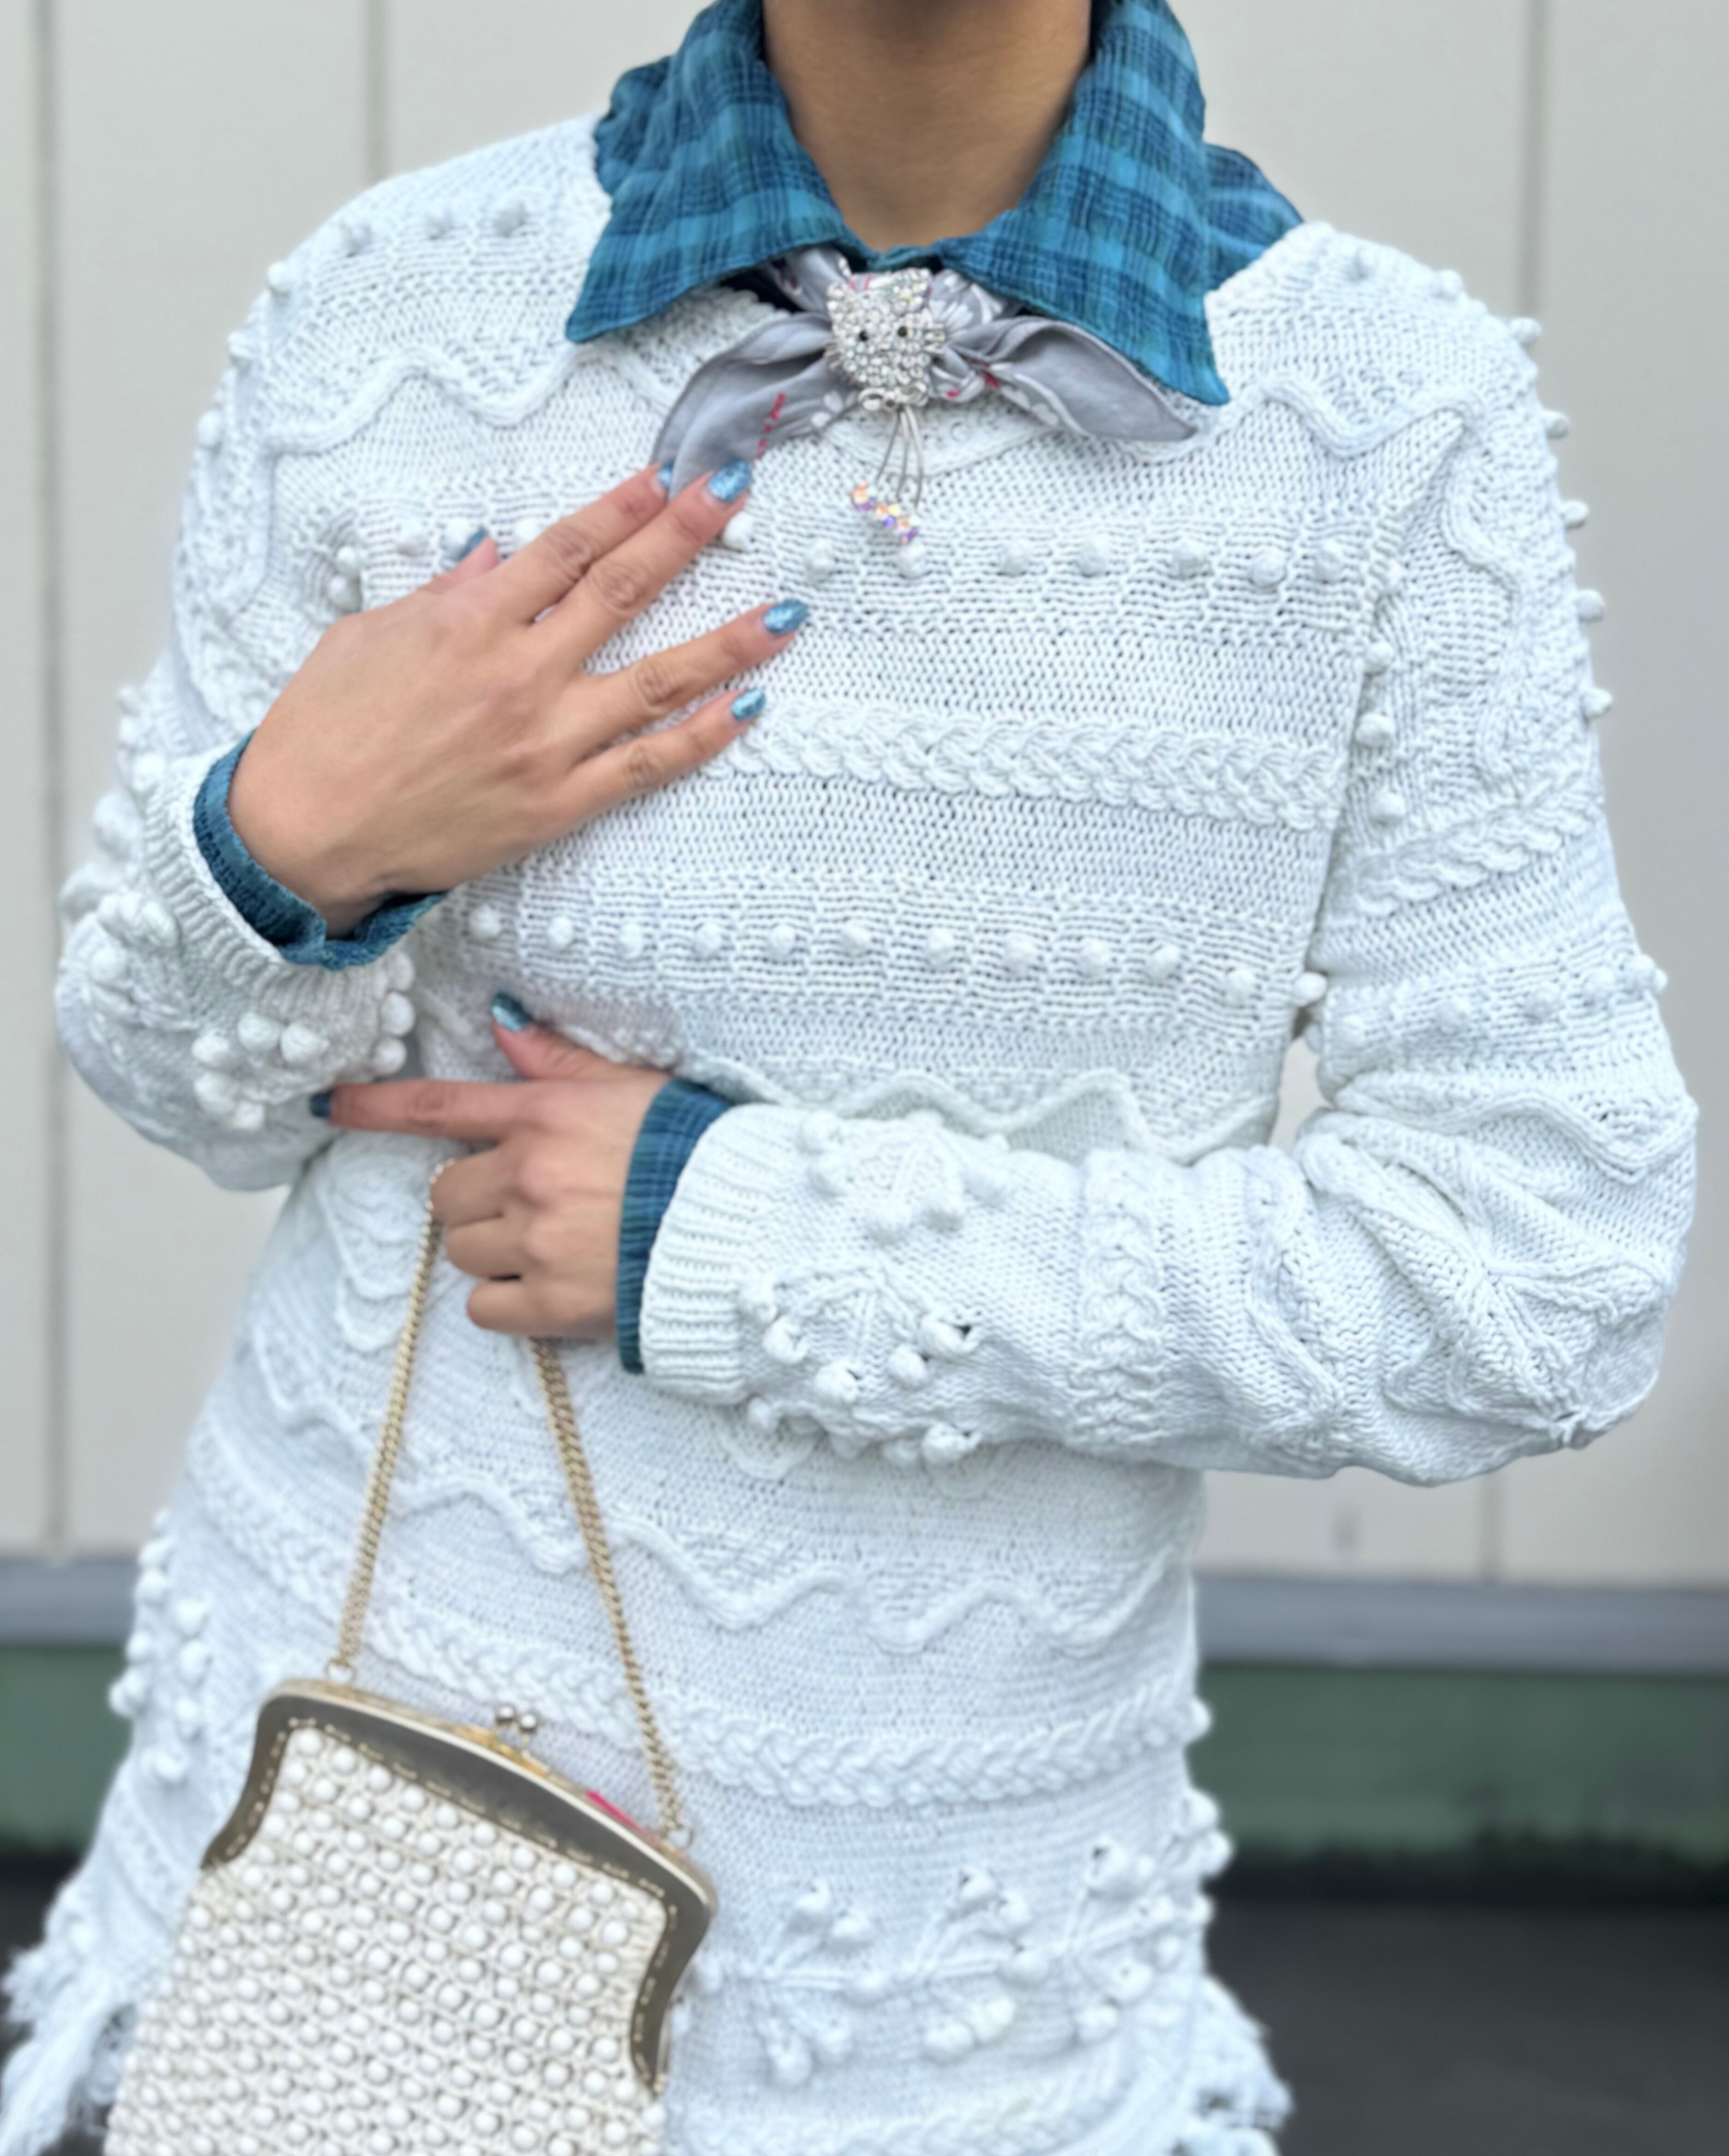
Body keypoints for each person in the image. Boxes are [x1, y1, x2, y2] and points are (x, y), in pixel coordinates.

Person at [1, 0, 1697, 2150]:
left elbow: (1534, 1277)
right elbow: (183, 1087)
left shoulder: (1388, 420)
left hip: (952, 1980)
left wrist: (741, 1236)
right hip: (358, 1867)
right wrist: (283, 843)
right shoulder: (391, 313)